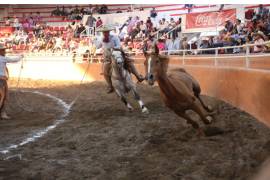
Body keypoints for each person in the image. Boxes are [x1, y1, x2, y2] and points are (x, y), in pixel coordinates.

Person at [96, 25, 144, 93]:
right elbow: (97, 46)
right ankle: (110, 86)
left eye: (106, 32)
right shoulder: (101, 39)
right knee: (105, 71)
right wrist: (96, 42)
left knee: (129, 62)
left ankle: (138, 76)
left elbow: (118, 45)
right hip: (108, 57)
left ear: (109, 32)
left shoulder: (114, 37)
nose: (105, 33)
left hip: (117, 54)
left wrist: (113, 48)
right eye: (104, 32)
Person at [0, 44, 23, 119]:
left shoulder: (3, 58)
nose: (4, 51)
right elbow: (14, 60)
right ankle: (2, 113)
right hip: (1, 81)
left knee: (3, 97)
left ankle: (2, 113)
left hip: (2, 79)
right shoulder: (2, 58)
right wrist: (21, 56)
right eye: (3, 50)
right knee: (3, 97)